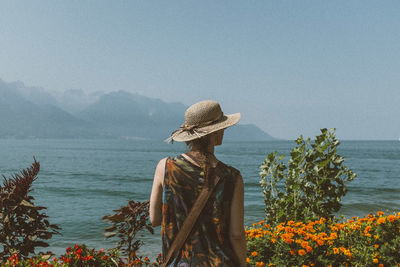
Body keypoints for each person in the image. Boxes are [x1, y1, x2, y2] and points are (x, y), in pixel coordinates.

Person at [149, 100, 246, 267]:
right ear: (215, 133)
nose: (224, 131)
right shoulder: (232, 177)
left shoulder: (165, 166)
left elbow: (155, 219)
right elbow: (236, 235)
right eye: (223, 127)